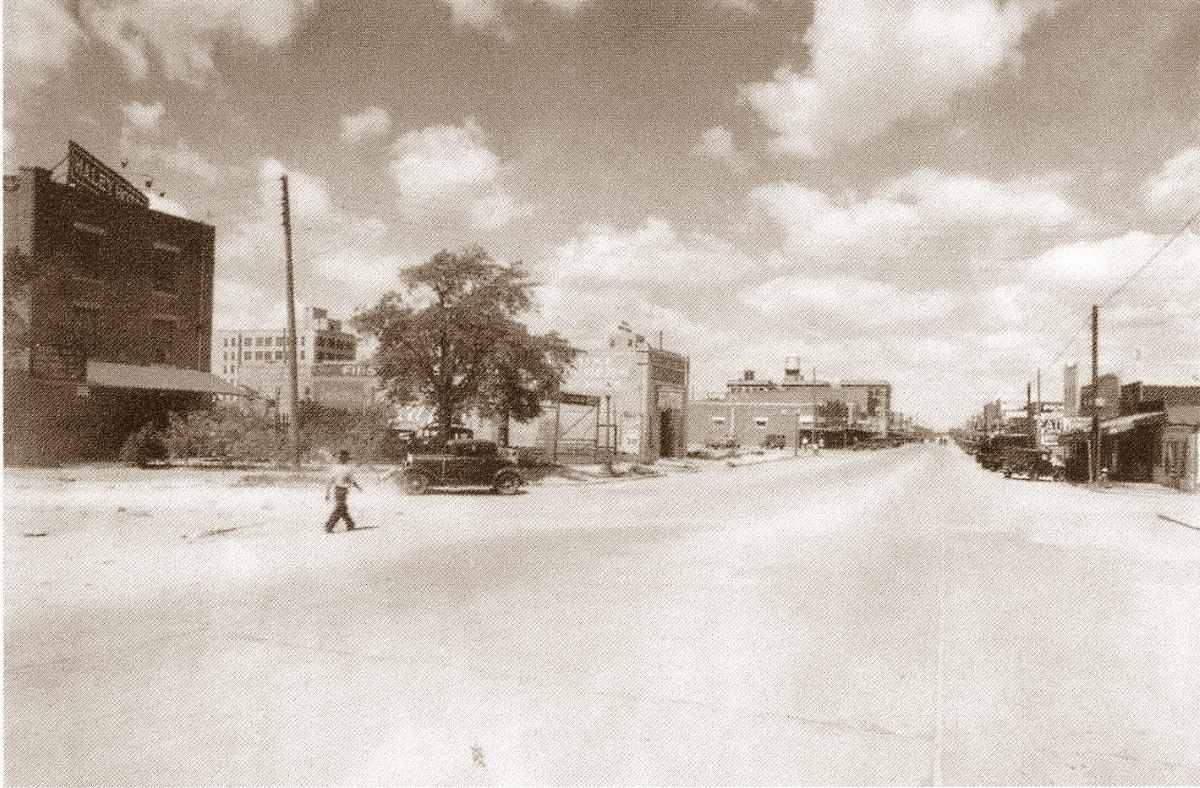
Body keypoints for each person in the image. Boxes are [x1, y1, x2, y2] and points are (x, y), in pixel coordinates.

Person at [324, 450, 362, 533]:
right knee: (340, 508)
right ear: (340, 459)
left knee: (342, 507)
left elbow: (351, 480)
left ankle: (350, 524)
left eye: (345, 458)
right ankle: (329, 526)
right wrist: (327, 493)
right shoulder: (335, 468)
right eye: (342, 458)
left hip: (344, 490)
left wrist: (358, 487)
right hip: (338, 489)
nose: (344, 459)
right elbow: (330, 481)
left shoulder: (348, 468)